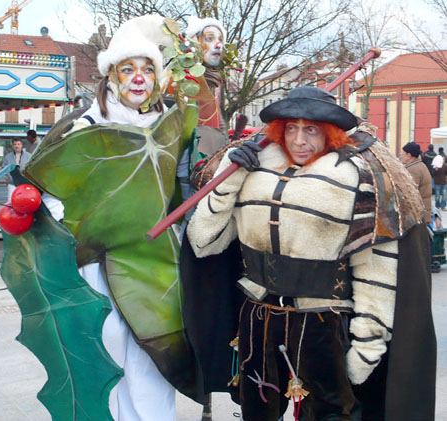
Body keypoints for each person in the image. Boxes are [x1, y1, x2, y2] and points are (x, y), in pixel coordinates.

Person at [183, 86, 436, 420]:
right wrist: (229, 179)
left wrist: (368, 341)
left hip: (322, 324)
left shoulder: (358, 177)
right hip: (257, 319)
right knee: (256, 411)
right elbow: (205, 242)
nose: (299, 140)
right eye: (291, 129)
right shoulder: (252, 169)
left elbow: (375, 265)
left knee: (327, 413)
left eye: (311, 130)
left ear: (330, 133)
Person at [7, 14, 201, 421]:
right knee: (107, 349)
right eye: (128, 69)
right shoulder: (84, 126)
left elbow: (185, 182)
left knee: (155, 357)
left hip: (156, 259)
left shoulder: (170, 125)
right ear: (111, 75)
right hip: (97, 261)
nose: (138, 78)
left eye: (148, 69)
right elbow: (51, 190)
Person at [186, 17, 226, 129]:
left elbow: (218, 120)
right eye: (210, 39)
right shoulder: (182, 79)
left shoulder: (216, 81)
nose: (218, 45)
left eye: (220, 40)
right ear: (195, 43)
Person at [401, 142, 432, 221]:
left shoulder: (413, 169)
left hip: (417, 215)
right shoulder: (420, 165)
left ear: (409, 155)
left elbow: (410, 194)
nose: (401, 156)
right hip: (422, 212)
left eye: (403, 154)